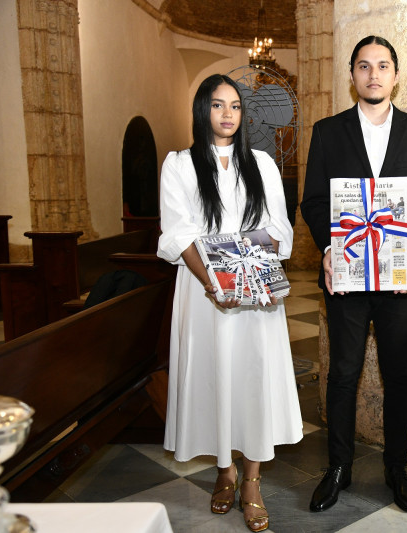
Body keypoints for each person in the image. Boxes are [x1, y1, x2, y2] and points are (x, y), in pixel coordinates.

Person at [300, 35, 407, 514]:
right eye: (364, 66)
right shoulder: (327, 131)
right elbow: (314, 202)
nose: (374, 74)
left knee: (399, 375)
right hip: (347, 273)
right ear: (353, 75)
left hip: (398, 278)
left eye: (383, 66)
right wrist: (329, 245)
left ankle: (396, 468)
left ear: (396, 76)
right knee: (342, 373)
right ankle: (338, 466)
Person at [157, 73, 303, 532]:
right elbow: (179, 231)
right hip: (204, 293)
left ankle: (252, 481)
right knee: (216, 376)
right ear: (203, 111)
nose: (227, 114)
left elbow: (279, 226)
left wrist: (253, 270)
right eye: (218, 105)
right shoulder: (179, 164)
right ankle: (224, 471)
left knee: (253, 378)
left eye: (235, 106)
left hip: (254, 292)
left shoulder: (262, 163)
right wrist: (213, 282)